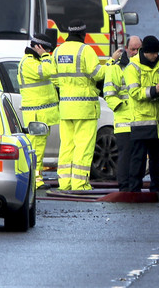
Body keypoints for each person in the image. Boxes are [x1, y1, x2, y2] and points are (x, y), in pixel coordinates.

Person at [52, 19, 106, 191]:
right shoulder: (86, 50)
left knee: (67, 146)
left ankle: (65, 183)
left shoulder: (58, 51)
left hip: (66, 108)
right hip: (85, 108)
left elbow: (53, 77)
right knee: (83, 146)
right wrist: (111, 64)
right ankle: (79, 184)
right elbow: (97, 74)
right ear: (83, 34)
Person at [123, 35, 159, 197]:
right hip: (141, 121)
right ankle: (134, 191)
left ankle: (157, 191)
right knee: (138, 158)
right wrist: (154, 90)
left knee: (157, 160)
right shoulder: (133, 67)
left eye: (157, 53)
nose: (155, 56)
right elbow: (134, 92)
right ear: (145, 52)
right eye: (153, 53)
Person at [17, 33, 58, 189]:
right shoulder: (28, 63)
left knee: (38, 150)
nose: (48, 53)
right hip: (36, 115)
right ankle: (35, 180)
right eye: (46, 49)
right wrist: (46, 56)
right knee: (36, 151)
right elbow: (48, 71)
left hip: (41, 115)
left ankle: (36, 178)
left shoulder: (34, 61)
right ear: (39, 48)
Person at [103, 35, 141, 191]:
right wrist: (120, 107)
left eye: (139, 49)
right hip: (124, 120)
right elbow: (109, 94)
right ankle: (125, 187)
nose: (135, 53)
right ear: (126, 49)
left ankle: (135, 187)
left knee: (138, 156)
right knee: (125, 155)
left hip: (140, 120)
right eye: (133, 49)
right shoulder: (116, 68)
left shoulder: (143, 67)